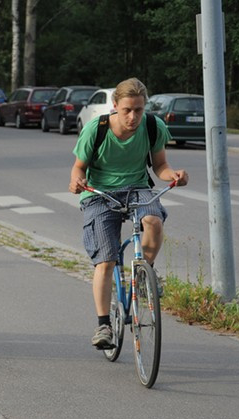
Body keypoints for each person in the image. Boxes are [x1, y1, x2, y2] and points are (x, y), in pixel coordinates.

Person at [69, 77, 188, 350]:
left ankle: (145, 274)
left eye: (138, 110)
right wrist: (76, 181)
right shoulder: (96, 129)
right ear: (115, 105)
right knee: (107, 260)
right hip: (99, 193)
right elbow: (78, 167)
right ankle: (103, 325)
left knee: (154, 221)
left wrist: (174, 175)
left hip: (137, 188)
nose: (133, 117)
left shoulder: (152, 126)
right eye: (127, 110)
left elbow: (160, 165)